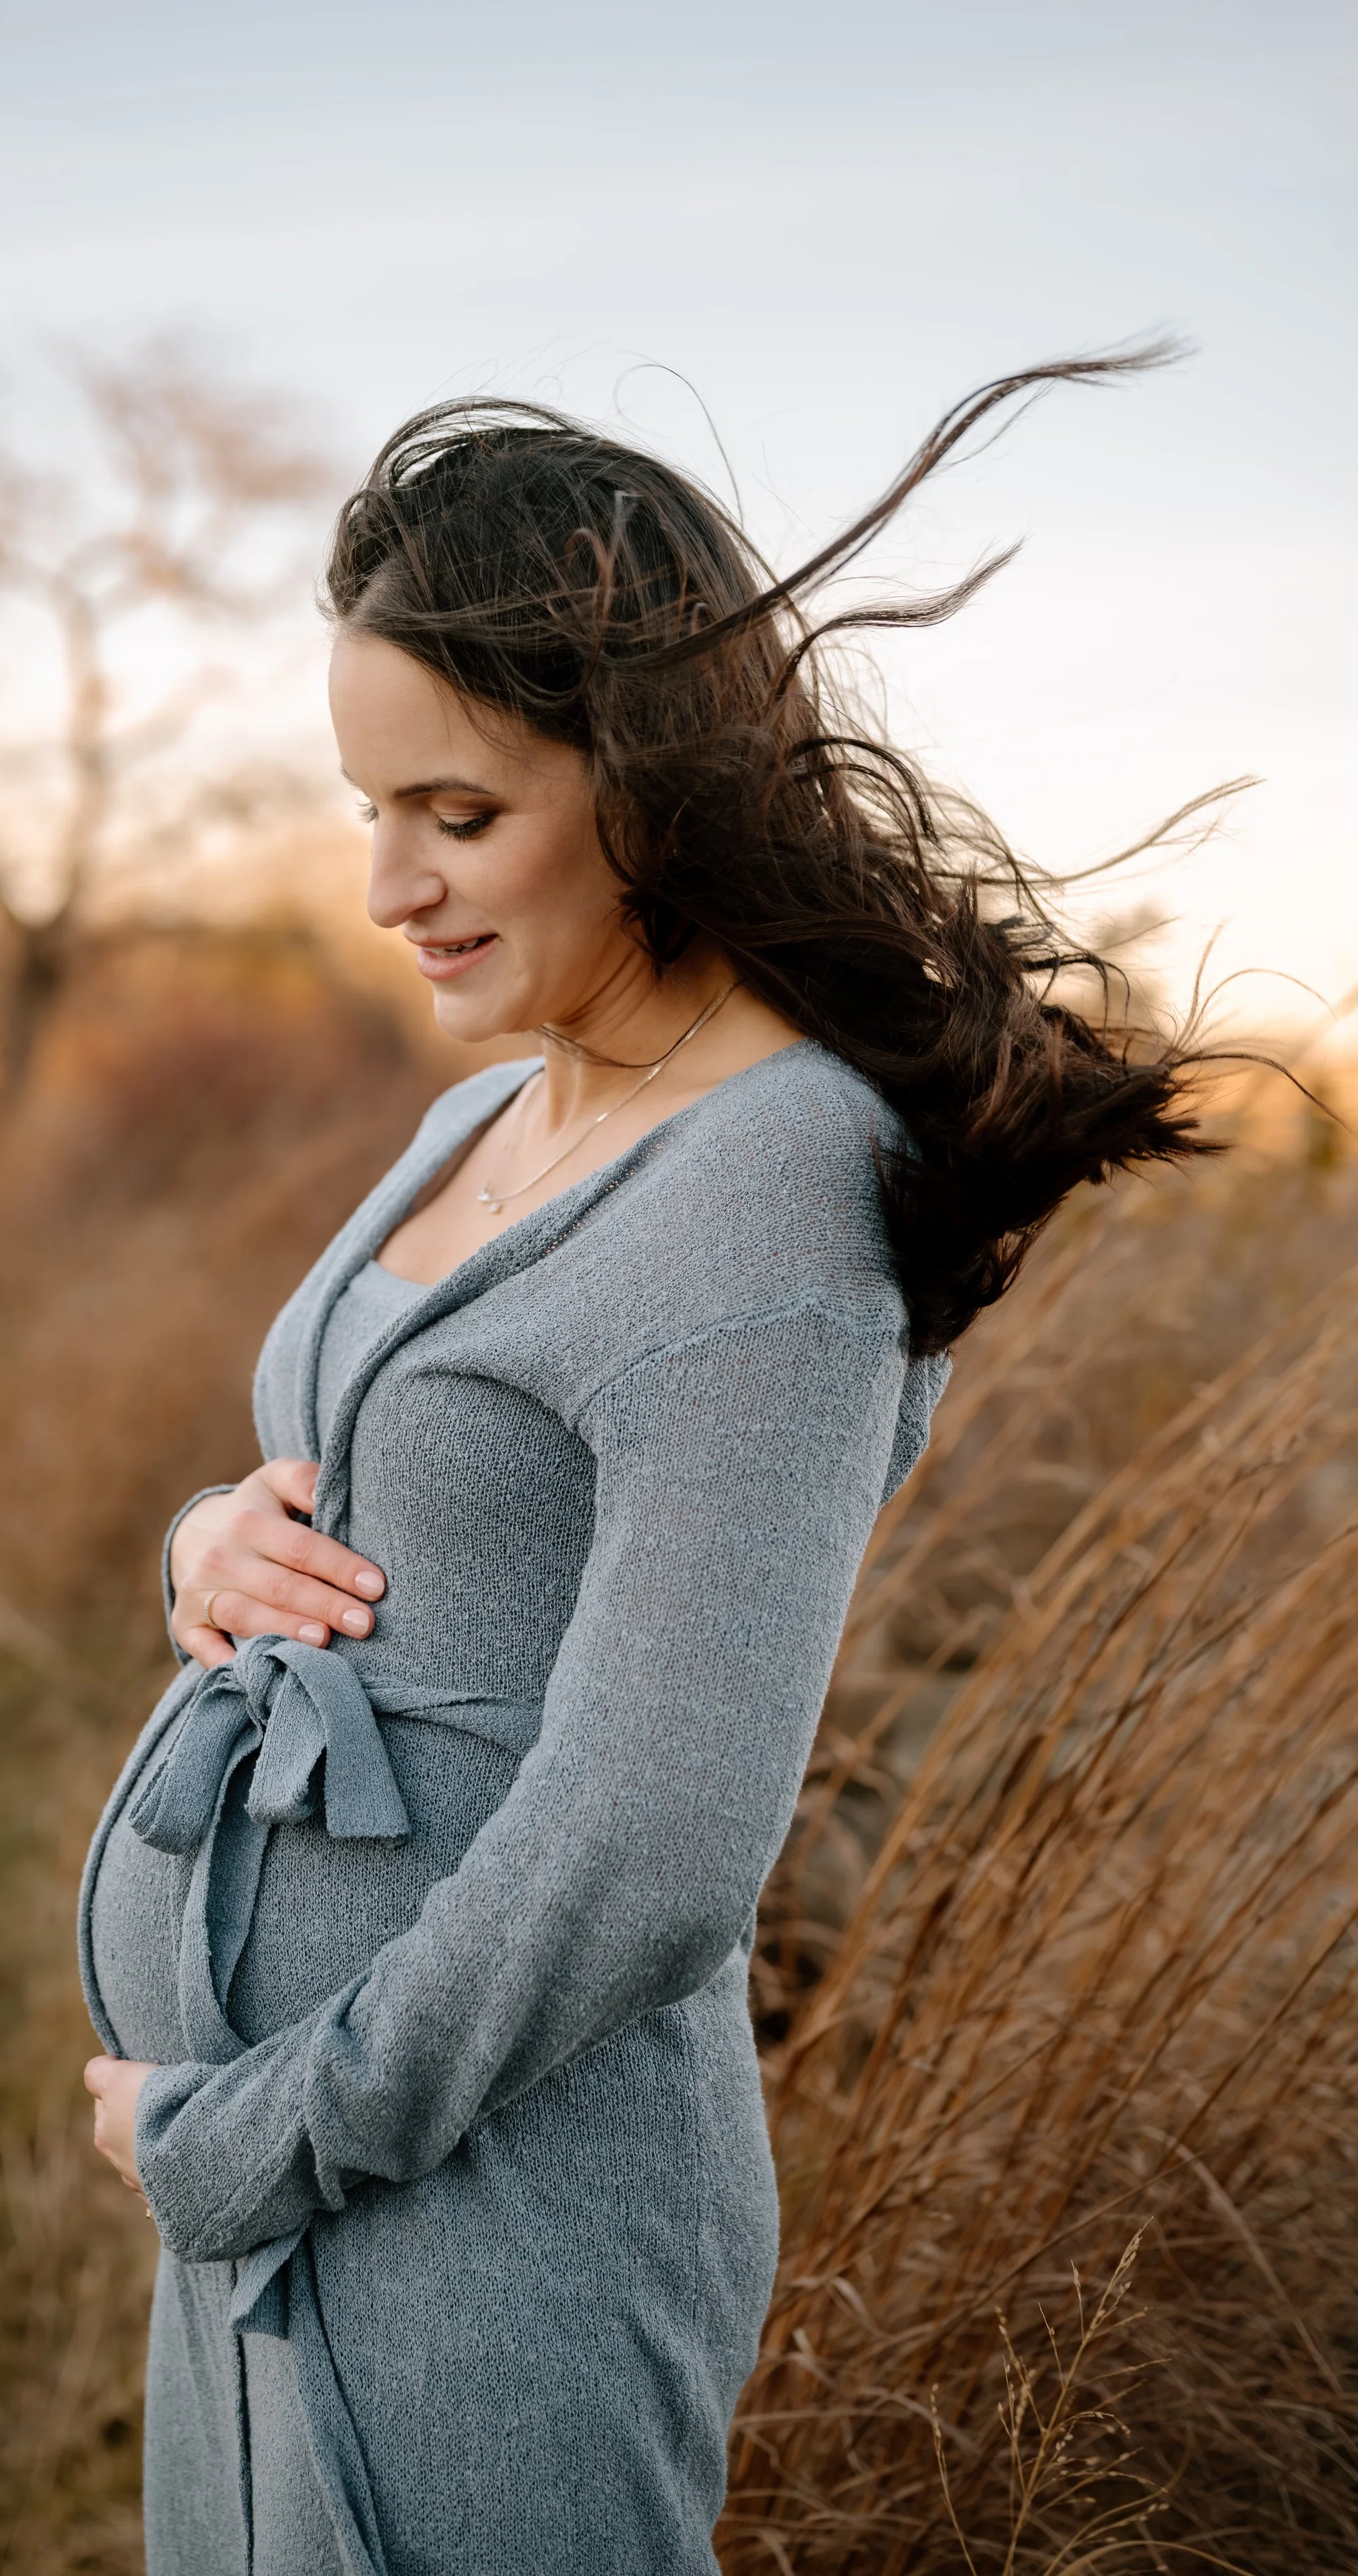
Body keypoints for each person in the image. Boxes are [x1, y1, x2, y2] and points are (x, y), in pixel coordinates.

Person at [79, 361, 1208, 2576]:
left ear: (651, 782)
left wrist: (251, 2135)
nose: (388, 881)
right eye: (365, 806)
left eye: (458, 814)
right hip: (277, 2200)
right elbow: (368, 1474)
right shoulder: (496, 1104)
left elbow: (649, 1847)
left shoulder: (769, 1200)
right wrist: (205, 1534)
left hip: (476, 2227)